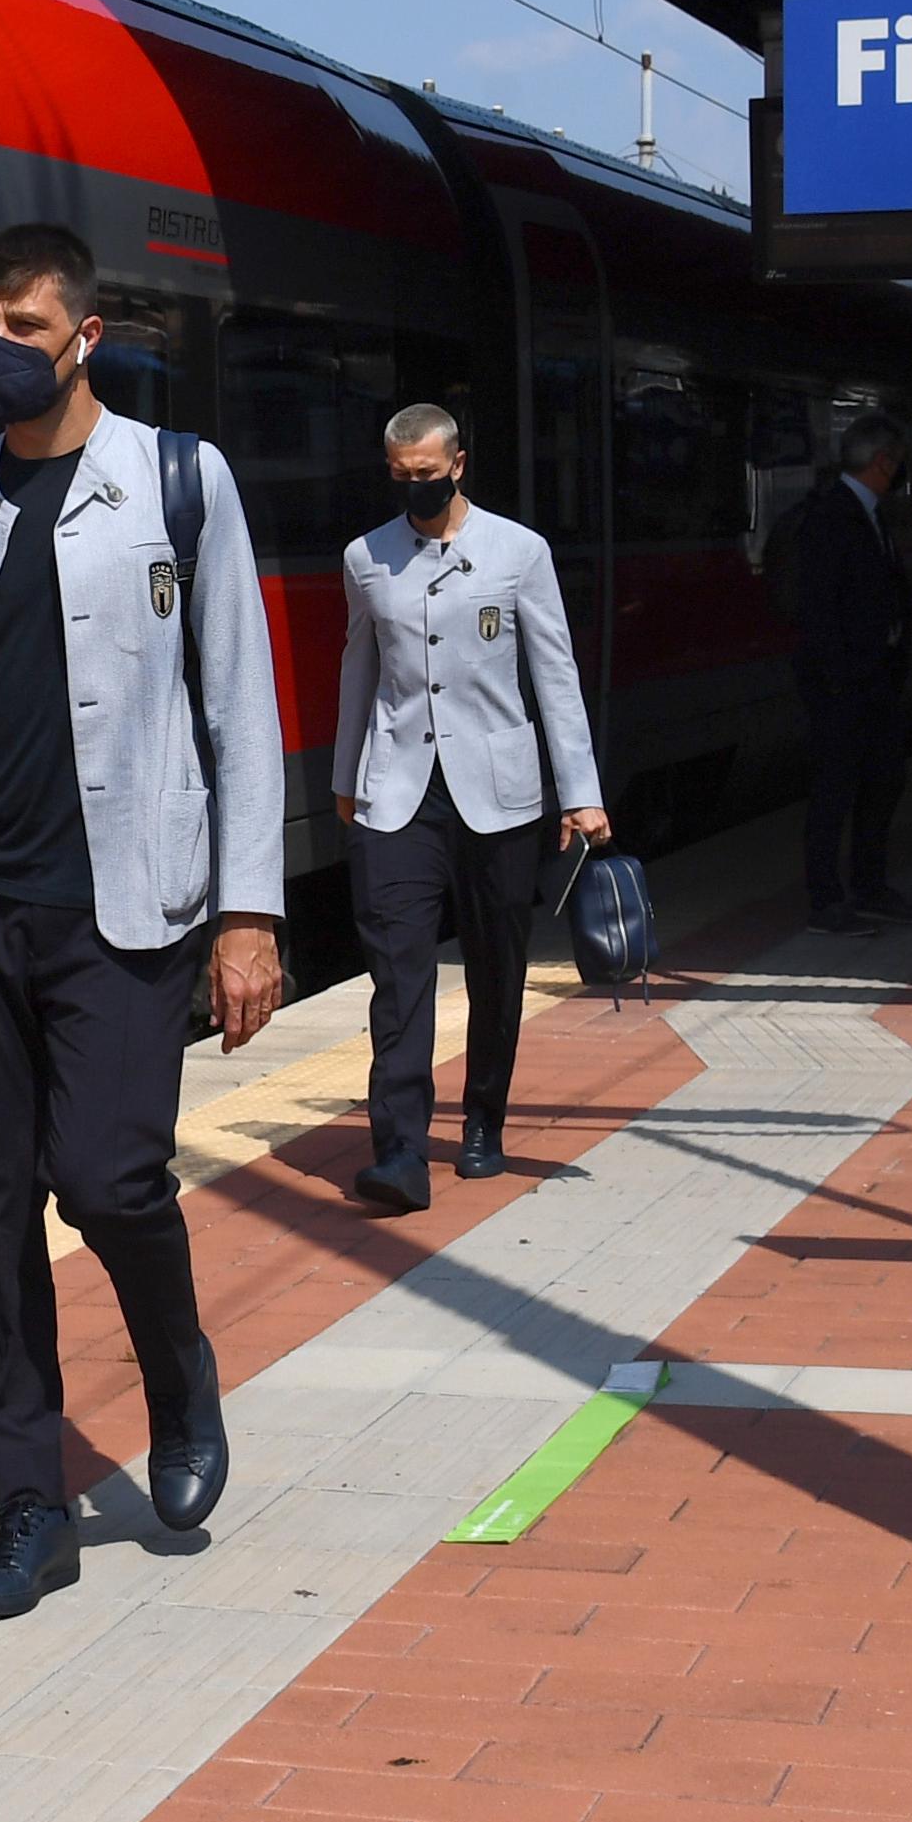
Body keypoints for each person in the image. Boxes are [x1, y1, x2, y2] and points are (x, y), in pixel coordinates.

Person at [0, 223, 284, 1621]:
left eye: (25, 324)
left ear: (87, 333)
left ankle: (177, 1368)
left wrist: (250, 913)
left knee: (107, 1177)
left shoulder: (180, 483)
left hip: (121, 900)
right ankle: (27, 1498)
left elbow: (239, 704)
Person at [329, 404, 606, 1214]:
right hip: (397, 792)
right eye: (402, 477)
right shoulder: (366, 557)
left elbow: (554, 676)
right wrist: (346, 776)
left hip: (498, 791)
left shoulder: (519, 552)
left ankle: (483, 1118)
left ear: (459, 464)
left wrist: (580, 793)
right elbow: (358, 670)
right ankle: (401, 1152)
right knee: (399, 973)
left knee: (496, 966)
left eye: (429, 474)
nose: (417, 487)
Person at [791, 413, 912, 937]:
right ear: (881, 462)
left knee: (883, 782)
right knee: (835, 791)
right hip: (843, 685)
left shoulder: (867, 514)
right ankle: (826, 900)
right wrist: (838, 679)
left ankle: (870, 885)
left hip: (874, 680)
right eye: (896, 463)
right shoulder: (833, 517)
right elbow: (820, 607)